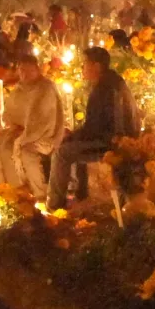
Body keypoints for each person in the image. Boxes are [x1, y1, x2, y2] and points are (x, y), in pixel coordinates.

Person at [48, 47, 139, 209]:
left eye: (85, 63)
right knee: (72, 146)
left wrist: (72, 136)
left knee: (61, 153)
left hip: (111, 142)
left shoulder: (106, 89)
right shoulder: (112, 82)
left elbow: (96, 129)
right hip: (114, 138)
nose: (82, 68)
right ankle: (81, 195)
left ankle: (55, 204)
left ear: (96, 66)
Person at [2, 53, 66, 194]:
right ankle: (17, 189)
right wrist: (14, 126)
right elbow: (11, 112)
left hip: (46, 134)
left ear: (37, 70)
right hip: (24, 132)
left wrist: (25, 135)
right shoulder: (19, 89)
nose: (24, 74)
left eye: (29, 70)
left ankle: (39, 193)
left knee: (27, 151)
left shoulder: (46, 88)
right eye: (22, 70)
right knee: (5, 147)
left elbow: (43, 119)